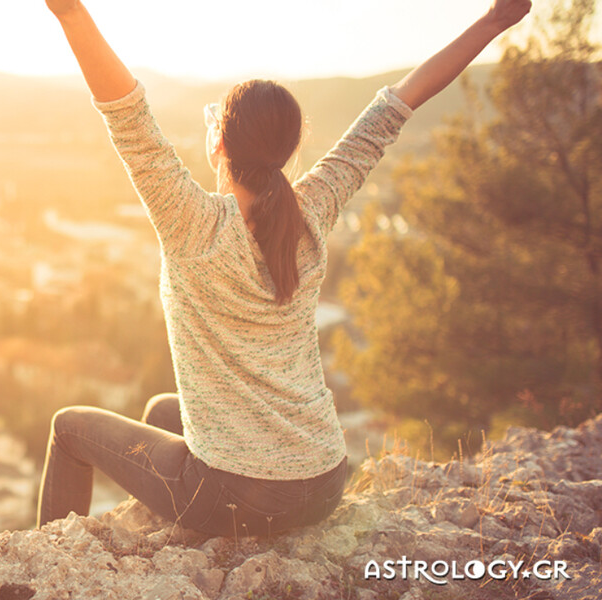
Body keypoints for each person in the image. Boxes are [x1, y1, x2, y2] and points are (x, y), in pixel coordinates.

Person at [37, 0, 532, 537]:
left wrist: (70, 14)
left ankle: (45, 568)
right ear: (289, 148)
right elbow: (398, 104)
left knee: (68, 429)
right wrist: (493, 22)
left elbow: (127, 112)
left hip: (237, 499)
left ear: (219, 142)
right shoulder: (313, 210)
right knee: (161, 411)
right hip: (322, 482)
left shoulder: (191, 221)